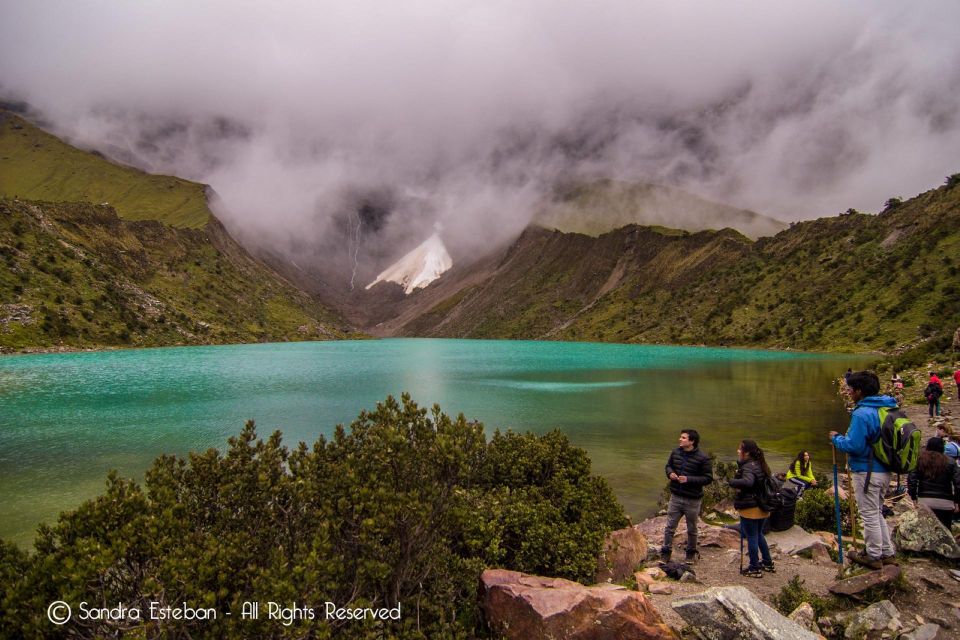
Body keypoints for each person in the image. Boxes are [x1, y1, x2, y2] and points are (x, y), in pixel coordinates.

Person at [830, 371, 898, 570]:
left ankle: (873, 555)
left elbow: (854, 445)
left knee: (868, 514)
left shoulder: (862, 413)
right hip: (884, 470)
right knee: (876, 512)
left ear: (859, 391)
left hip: (867, 471)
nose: (848, 392)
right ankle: (887, 552)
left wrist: (836, 438)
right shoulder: (887, 408)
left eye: (850, 389)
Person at [661, 429, 713, 563]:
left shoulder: (703, 458)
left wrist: (689, 479)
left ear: (692, 442)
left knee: (692, 528)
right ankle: (665, 553)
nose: (680, 439)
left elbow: (708, 478)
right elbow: (668, 466)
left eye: (683, 438)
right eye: (681, 437)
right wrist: (670, 473)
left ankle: (690, 554)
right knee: (669, 527)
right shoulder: (675, 452)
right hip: (676, 496)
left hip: (693, 499)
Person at [729, 439, 775, 577]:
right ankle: (767, 562)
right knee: (758, 534)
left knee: (752, 537)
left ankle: (754, 567)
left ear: (747, 453)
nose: (738, 451)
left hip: (750, 507)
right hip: (762, 506)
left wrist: (732, 482)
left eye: (740, 449)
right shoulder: (761, 464)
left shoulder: (748, 467)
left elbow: (748, 482)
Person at [907, 437, 960, 529]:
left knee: (924, 530)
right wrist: (957, 502)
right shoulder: (950, 461)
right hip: (945, 503)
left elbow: (912, 479)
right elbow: (958, 483)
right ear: (942, 448)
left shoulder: (920, 460)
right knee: (945, 532)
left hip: (924, 501)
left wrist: (914, 498)